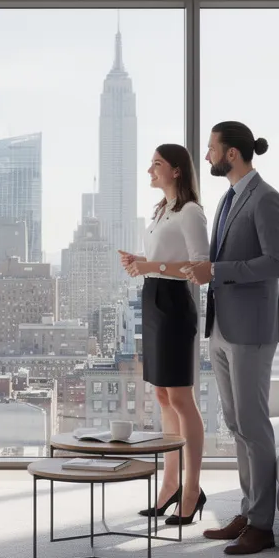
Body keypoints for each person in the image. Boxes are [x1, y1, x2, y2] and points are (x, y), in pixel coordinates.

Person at [184, 121, 279, 555]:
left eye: (211, 148)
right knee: (235, 424)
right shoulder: (229, 198)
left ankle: (263, 526)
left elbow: (278, 263)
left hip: (251, 331)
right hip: (223, 328)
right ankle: (248, 513)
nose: (206, 155)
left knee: (253, 424)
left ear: (232, 153)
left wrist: (220, 272)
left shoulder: (266, 199)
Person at [119, 144, 211, 525]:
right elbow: (159, 262)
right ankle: (170, 483)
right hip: (152, 301)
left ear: (176, 170)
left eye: (156, 164)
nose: (149, 171)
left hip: (174, 303)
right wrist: (141, 266)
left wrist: (150, 264)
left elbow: (201, 267)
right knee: (161, 394)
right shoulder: (160, 212)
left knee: (181, 397)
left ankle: (192, 489)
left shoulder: (191, 212)